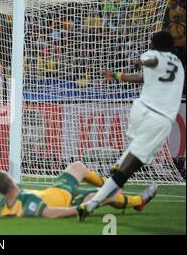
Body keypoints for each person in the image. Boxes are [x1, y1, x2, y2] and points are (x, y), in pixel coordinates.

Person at [77, 31, 184, 220]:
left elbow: (150, 65)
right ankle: (92, 203)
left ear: (154, 45)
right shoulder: (178, 64)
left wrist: (135, 64)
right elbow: (151, 68)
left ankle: (119, 166)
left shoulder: (153, 56)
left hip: (140, 111)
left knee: (136, 152)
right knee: (130, 168)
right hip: (158, 120)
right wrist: (127, 71)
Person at [0, 161, 158, 218]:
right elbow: (52, 213)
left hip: (59, 189)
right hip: (71, 200)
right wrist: (80, 208)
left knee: (78, 167)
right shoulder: (28, 202)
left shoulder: (3, 205)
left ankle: (113, 183)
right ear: (11, 182)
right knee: (109, 196)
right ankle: (139, 201)